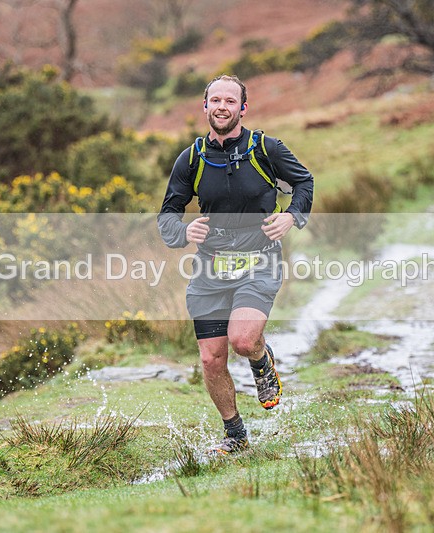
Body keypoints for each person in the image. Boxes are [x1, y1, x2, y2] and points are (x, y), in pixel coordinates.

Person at [157, 75, 314, 454]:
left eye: (231, 101)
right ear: (205, 107)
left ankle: (261, 359)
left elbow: (304, 182)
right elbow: (167, 215)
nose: (222, 107)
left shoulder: (266, 148)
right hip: (210, 269)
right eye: (215, 101)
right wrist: (182, 231)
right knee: (211, 359)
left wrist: (292, 216)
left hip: (259, 260)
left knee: (242, 340)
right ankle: (236, 435)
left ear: (243, 108)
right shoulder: (191, 158)